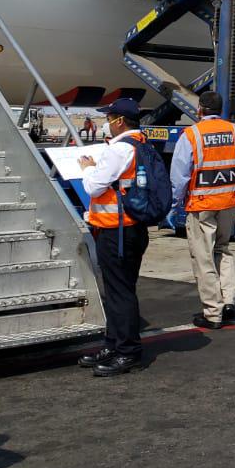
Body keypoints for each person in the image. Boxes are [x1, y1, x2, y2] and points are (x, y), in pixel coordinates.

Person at [76, 98, 151, 376]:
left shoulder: (119, 149)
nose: (107, 121)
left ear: (120, 120)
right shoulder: (141, 143)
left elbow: (94, 187)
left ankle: (127, 351)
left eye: (109, 117)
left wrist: (87, 168)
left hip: (115, 232)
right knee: (121, 290)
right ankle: (114, 344)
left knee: (119, 293)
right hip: (132, 229)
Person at [170, 91, 235, 329]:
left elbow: (179, 177)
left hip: (202, 204)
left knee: (203, 258)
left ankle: (212, 313)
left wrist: (173, 206)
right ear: (222, 109)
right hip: (229, 202)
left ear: (200, 109)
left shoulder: (192, 135)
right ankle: (228, 302)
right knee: (223, 249)